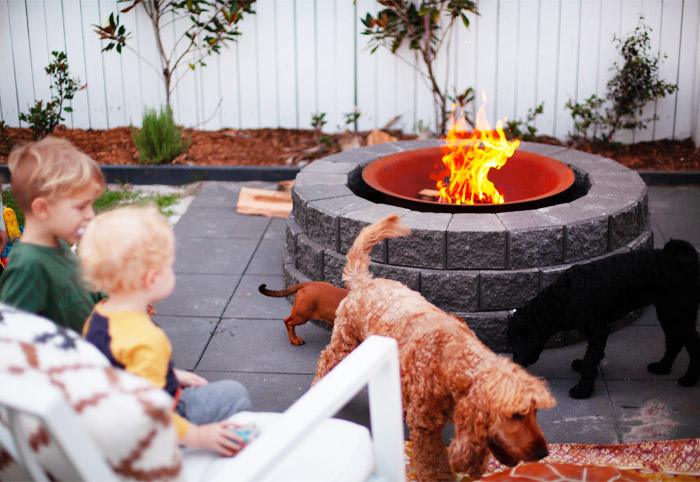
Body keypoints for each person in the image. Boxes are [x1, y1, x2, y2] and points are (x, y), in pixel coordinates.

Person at [79, 205, 251, 456]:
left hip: (111, 414)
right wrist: (200, 436)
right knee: (235, 394)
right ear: (150, 279)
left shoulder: (99, 314)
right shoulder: (147, 339)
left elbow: (119, 366)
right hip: (146, 430)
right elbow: (150, 416)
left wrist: (170, 373)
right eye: (169, 265)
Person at [0, 137, 106, 333]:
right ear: (42, 209)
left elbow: (80, 293)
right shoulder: (28, 267)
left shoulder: (59, 246)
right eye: (81, 206)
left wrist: (114, 297)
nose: (91, 214)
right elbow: (12, 339)